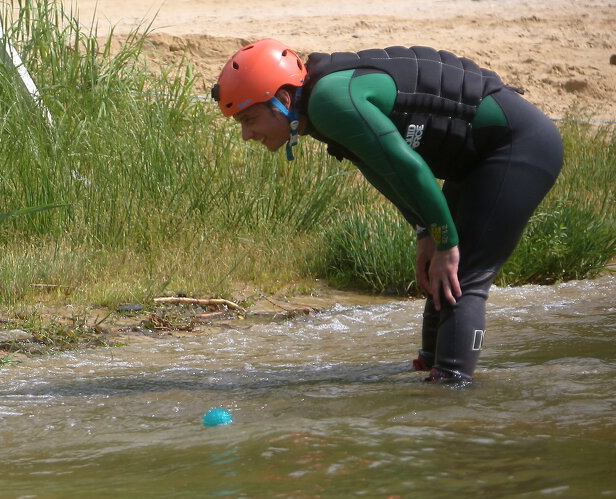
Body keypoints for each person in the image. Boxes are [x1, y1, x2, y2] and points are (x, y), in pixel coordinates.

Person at [211, 39, 563, 383]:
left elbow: (407, 167)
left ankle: (453, 396)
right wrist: (425, 231)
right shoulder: (316, 109)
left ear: (283, 100)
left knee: (463, 275)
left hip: (520, 145)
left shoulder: (330, 103)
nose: (245, 135)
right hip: (477, 159)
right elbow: (378, 169)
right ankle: (431, 370)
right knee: (439, 269)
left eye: (249, 119)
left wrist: (445, 240)